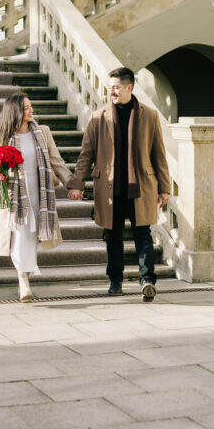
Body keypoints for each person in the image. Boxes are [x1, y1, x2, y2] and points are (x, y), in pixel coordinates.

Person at [67, 67, 170, 301]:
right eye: (110, 87)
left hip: (140, 187)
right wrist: (77, 183)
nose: (111, 91)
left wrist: (164, 187)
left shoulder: (150, 116)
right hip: (110, 188)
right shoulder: (97, 117)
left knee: (142, 234)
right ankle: (116, 280)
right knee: (112, 236)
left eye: (115, 87)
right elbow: (86, 155)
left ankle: (147, 281)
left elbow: (159, 156)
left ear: (129, 88)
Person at [0, 92, 74, 302]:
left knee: (32, 234)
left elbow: (57, 162)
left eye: (30, 106)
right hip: (15, 192)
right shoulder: (3, 136)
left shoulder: (42, 132)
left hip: (40, 188)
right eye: (26, 107)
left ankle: (25, 275)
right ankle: (23, 281)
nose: (31, 110)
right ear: (15, 111)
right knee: (19, 234)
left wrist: (72, 183)